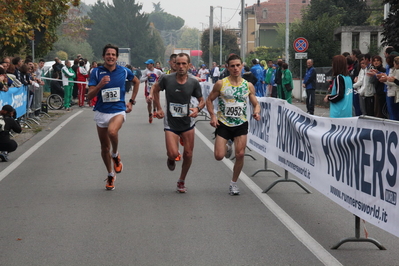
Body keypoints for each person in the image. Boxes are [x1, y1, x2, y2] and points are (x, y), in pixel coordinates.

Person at [206, 54, 261, 195]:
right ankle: (227, 144)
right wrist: (212, 116)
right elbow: (209, 100)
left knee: (241, 154)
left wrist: (256, 112)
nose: (236, 68)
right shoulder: (221, 84)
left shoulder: (248, 85)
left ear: (242, 66)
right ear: (227, 67)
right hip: (224, 123)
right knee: (219, 156)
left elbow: (256, 103)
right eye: (232, 66)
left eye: (238, 65)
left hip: (240, 123)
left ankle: (234, 183)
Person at [87, 44, 139, 190]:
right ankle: (110, 174)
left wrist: (131, 101)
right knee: (104, 148)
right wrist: (99, 85)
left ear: (117, 57)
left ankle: (115, 154)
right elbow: (89, 96)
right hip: (101, 112)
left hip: (118, 110)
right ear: (103, 56)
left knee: (112, 132)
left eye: (113, 54)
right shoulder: (96, 72)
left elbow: (136, 82)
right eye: (108, 54)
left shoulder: (123, 71)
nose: (110, 57)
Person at [152, 53, 205, 193]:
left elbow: (202, 100)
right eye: (178, 63)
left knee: (188, 154)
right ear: (174, 64)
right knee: (173, 154)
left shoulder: (193, 82)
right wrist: (158, 108)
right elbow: (155, 90)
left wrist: (198, 109)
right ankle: (170, 158)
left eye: (184, 64)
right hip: (171, 123)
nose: (181, 66)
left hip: (187, 122)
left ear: (189, 65)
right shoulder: (167, 79)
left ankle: (181, 180)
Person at [140, 59, 163, 123]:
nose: (147, 65)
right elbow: (141, 80)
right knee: (149, 102)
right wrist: (147, 77)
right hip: (148, 89)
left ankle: (154, 110)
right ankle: (150, 114)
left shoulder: (157, 71)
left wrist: (159, 79)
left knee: (155, 100)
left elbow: (163, 76)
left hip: (155, 89)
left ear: (152, 64)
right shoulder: (145, 71)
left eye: (148, 64)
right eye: (146, 64)